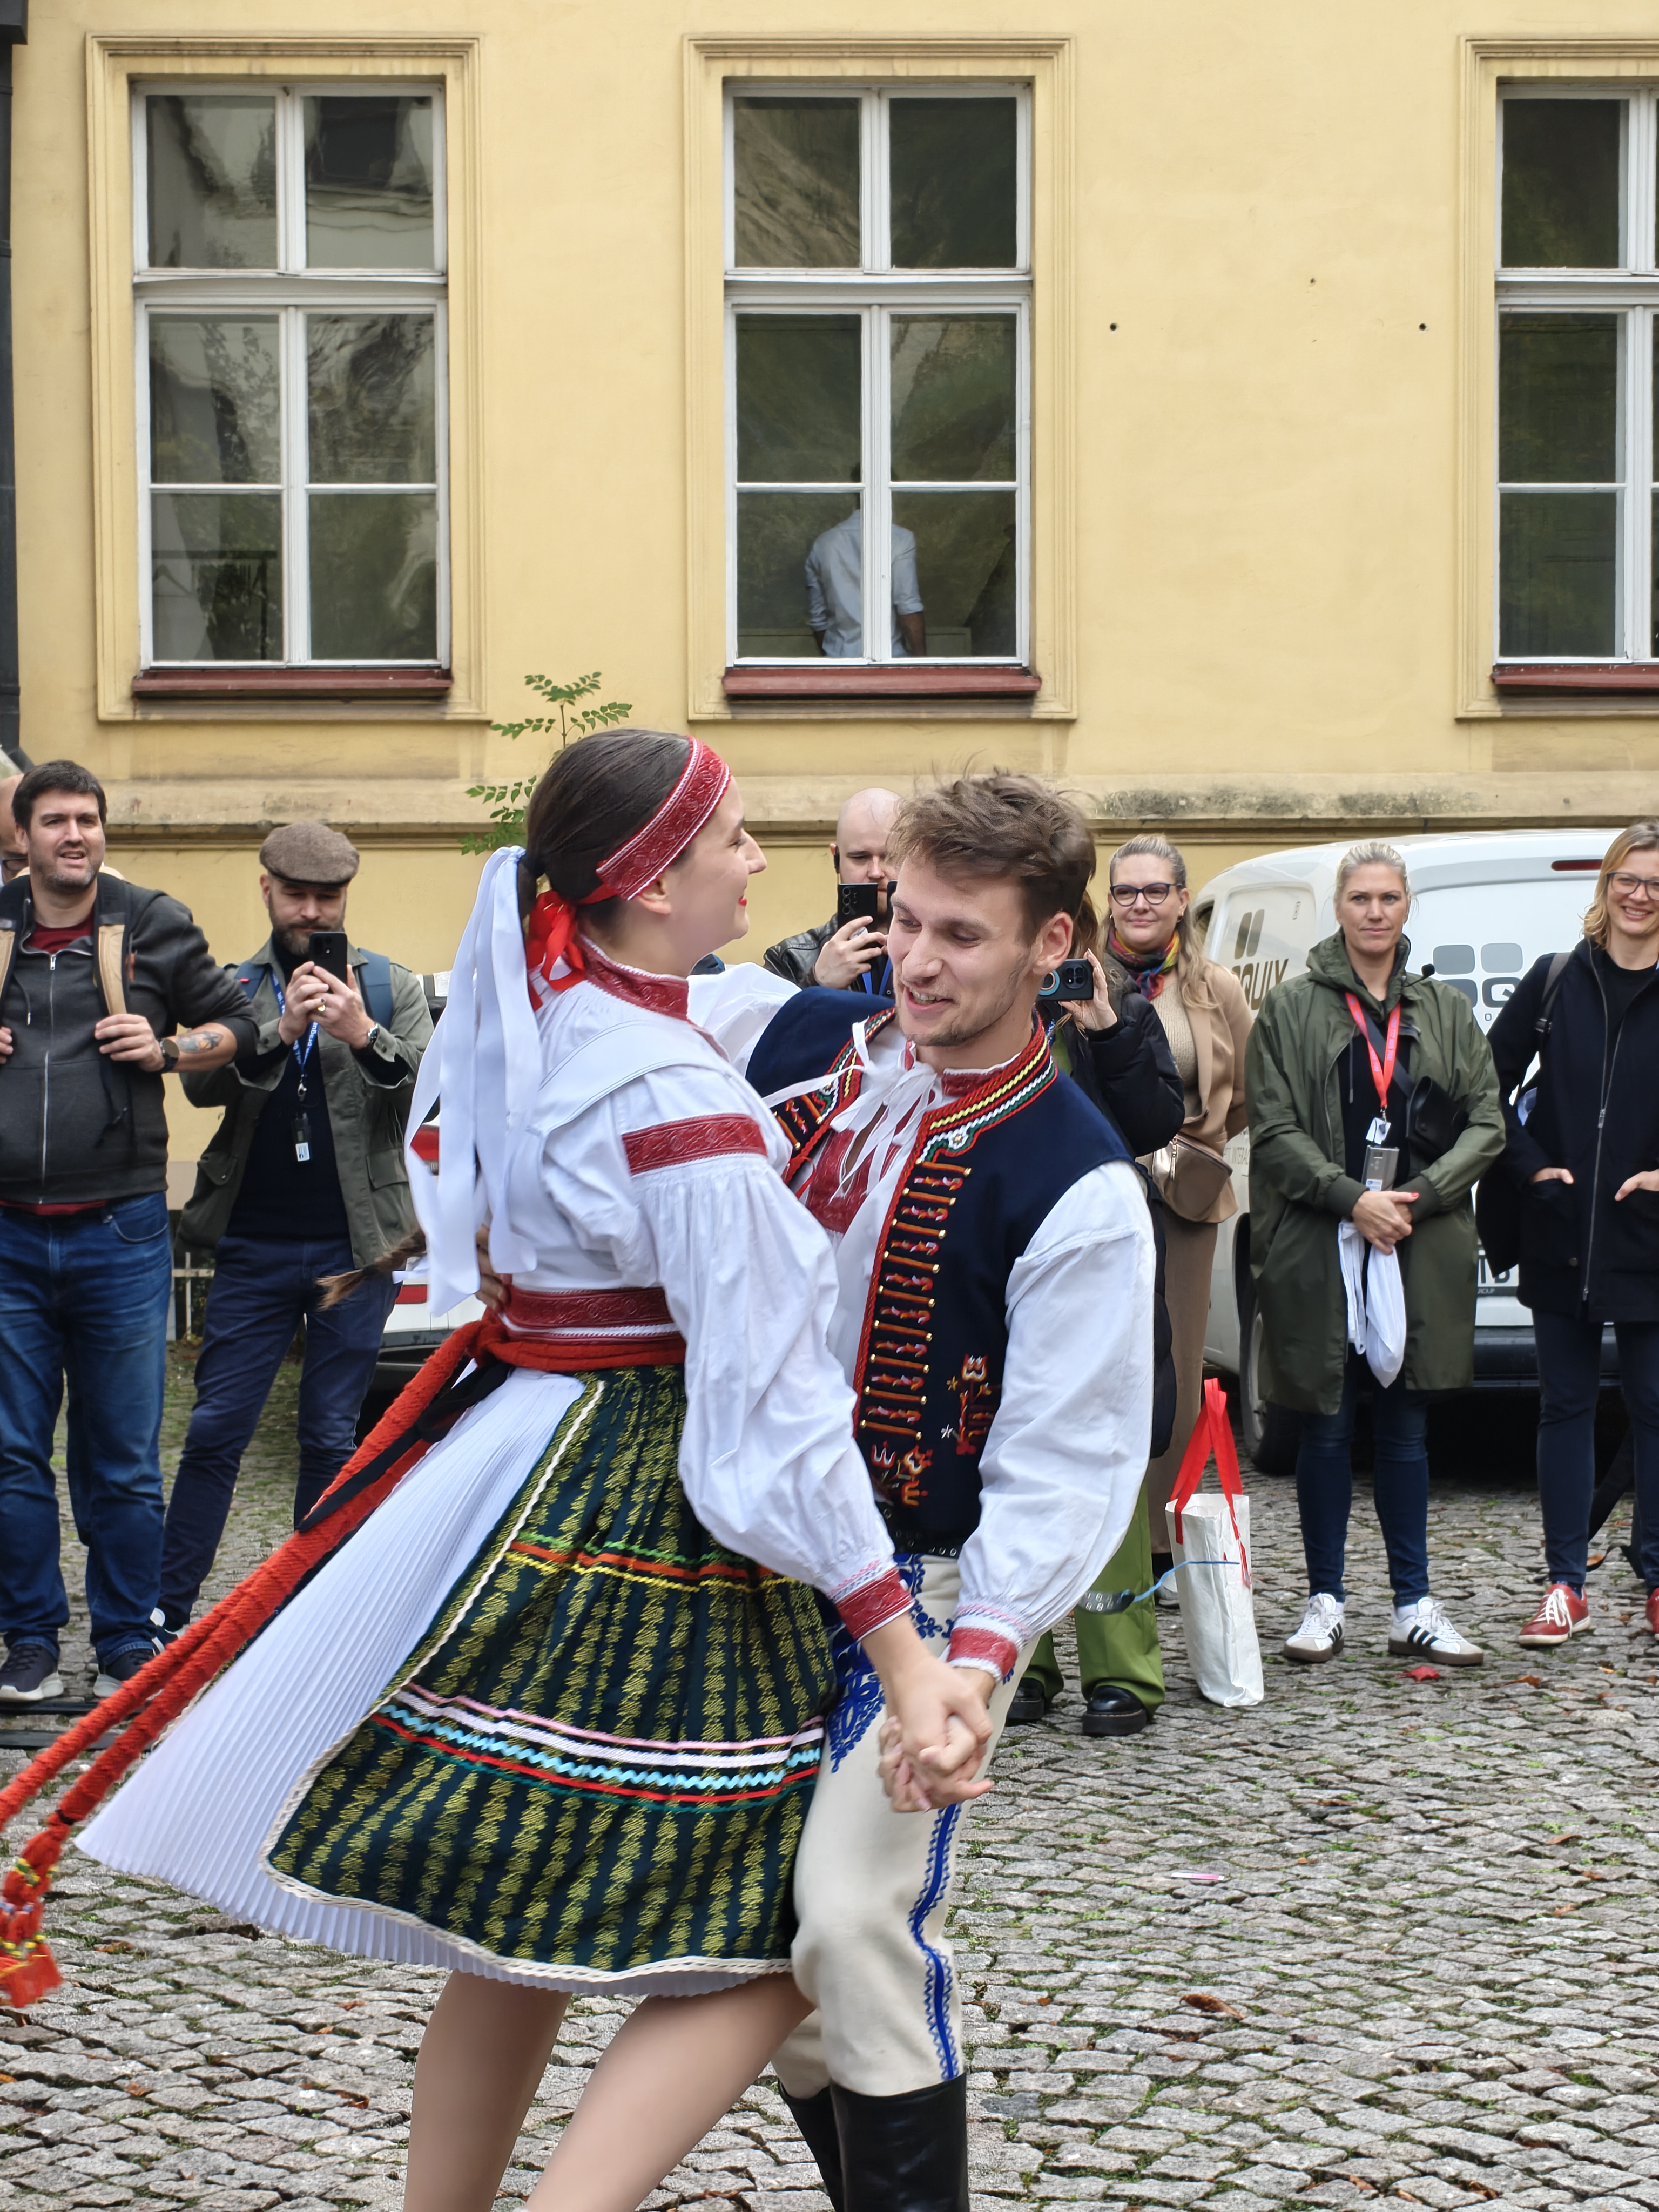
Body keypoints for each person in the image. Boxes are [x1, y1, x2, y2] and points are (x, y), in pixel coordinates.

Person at [55, 729, 988, 2209]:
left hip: (534, 1454)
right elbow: (771, 1413)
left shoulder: (549, 1015)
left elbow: (716, 1064)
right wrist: (901, 1642)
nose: (758, 860)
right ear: (647, 879)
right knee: (773, 1935)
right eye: (731, 840)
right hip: (651, 1502)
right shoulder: (668, 1091)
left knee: (518, 1926)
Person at [738, 771, 1156, 2211]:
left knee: (853, 1918)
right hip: (745, 1578)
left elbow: (1068, 1460)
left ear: (1053, 946)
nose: (917, 960)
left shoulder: (1078, 1183)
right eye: (904, 919)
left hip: (911, 1604)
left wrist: (974, 1669)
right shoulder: (814, 1052)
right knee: (765, 1953)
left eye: (963, 937)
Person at [0, 761, 256, 1707]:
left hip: (120, 1227)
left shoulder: (151, 921)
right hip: (6, 1236)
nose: (76, 835)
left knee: (122, 1453)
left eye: (90, 820)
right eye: (56, 820)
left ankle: (123, 1638)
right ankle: (28, 1642)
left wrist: (167, 1049)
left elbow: (240, 1023)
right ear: (21, 835)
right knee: (11, 1452)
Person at [155, 821, 433, 1633]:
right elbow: (203, 1095)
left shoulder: (388, 984)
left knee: (330, 1434)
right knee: (214, 1431)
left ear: (347, 896)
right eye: (298, 893)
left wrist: (359, 1032)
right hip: (253, 1242)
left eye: (330, 896)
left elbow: (428, 1091)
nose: (313, 910)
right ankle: (167, 1611)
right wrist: (275, 1034)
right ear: (268, 889)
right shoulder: (232, 988)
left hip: (360, 1246)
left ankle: (320, 1614)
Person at [1246, 839, 1504, 1667]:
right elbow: (1274, 1130)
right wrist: (1348, 1197)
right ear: (1340, 908)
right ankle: (1325, 1600)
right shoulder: (1291, 1008)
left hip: (1415, 1239)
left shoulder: (1445, 1011)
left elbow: (1487, 1123)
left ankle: (1413, 1603)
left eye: (1389, 899)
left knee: (1405, 1427)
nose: (1375, 912)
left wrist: (1416, 1202)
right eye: (1361, 898)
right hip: (1324, 1236)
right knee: (1324, 1423)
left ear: (1406, 909)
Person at [1014, 834, 1250, 1738]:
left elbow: (1155, 1113)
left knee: (1107, 1444)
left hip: (1111, 1241)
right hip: (1012, 1241)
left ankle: (1121, 1668)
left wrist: (1106, 1027)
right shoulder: (981, 987)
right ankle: (1021, 1659)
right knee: (1012, 1449)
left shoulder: (1118, 1002)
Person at [1487, 822, 1659, 1647]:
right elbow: (1484, 1087)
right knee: (1566, 1406)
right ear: (1607, 885)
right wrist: (1529, 1166)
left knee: (1657, 1409)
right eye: (1628, 878)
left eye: (1655, 883)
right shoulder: (1558, 980)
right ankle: (1565, 1583)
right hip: (1561, 1229)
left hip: (1651, 1232)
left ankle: (1656, 1576)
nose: (1639, 895)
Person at [765, 787, 903, 994]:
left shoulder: (940, 952)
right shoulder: (789, 958)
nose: (876, 872)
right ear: (836, 860)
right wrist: (816, 982)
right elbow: (771, 1025)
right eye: (860, 858)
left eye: (890, 857)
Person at [806, 508, 926, 659]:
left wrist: (833, 655)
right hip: (889, 659)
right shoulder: (899, 538)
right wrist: (922, 663)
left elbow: (819, 618)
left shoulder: (823, 543)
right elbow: (908, 606)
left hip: (838, 659)